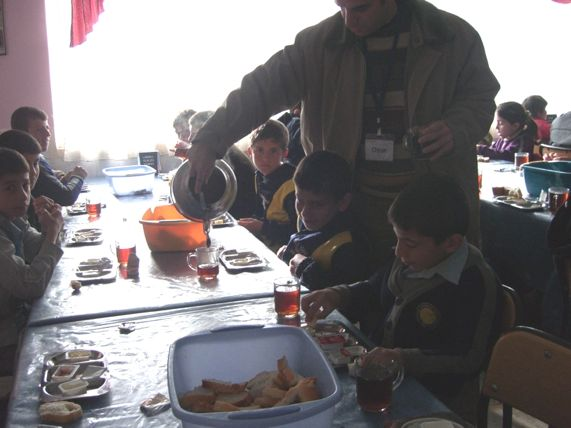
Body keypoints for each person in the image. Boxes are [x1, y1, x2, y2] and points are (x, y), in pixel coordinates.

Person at [187, 0, 500, 261]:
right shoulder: (318, 43)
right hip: (344, 211)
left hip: (428, 217)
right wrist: (209, 140)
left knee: (428, 315)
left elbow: (481, 98)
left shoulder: (452, 36)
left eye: (360, 8)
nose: (350, 20)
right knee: (341, 311)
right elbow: (260, 89)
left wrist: (455, 127)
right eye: (341, 7)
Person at [302, 172, 501, 421]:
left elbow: (467, 359)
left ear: (451, 243)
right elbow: (374, 289)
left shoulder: (474, 282)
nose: (398, 250)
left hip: (437, 405)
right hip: (382, 384)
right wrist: (338, 294)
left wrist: (402, 358)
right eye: (397, 238)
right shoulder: (408, 259)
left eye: (410, 243)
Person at [0, 148, 64, 377]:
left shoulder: (13, 218)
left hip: (16, 322)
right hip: (5, 339)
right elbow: (30, 286)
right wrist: (53, 235)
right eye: (10, 188)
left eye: (25, 185)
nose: (22, 195)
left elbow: (38, 247)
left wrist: (51, 225)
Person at [278, 151, 371, 290]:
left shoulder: (349, 245)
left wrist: (304, 267)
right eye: (300, 200)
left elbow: (343, 293)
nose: (304, 212)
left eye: (317, 204)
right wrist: (288, 256)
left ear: (343, 202)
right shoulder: (312, 220)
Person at [173, 110, 258, 219]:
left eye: (194, 133)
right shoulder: (224, 150)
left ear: (207, 134)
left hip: (237, 217)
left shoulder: (221, 158)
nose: (189, 138)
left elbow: (204, 190)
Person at [10, 106, 87, 206]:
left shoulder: (37, 157)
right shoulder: (30, 161)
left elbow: (49, 191)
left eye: (47, 127)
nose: (48, 134)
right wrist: (78, 176)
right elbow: (66, 197)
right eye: (39, 130)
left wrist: (63, 180)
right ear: (23, 134)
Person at [238, 119, 296, 249]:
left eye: (273, 151)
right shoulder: (259, 175)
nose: (265, 158)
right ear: (249, 152)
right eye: (259, 150)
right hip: (265, 245)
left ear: (284, 153)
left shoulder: (292, 185)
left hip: (286, 251)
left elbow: (298, 231)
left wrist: (262, 227)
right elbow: (260, 212)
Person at [0, 130, 55, 231]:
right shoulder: (13, 205)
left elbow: (34, 243)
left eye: (35, 163)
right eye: (25, 164)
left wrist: (47, 223)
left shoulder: (30, 199)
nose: (33, 172)